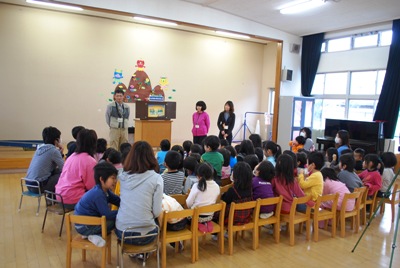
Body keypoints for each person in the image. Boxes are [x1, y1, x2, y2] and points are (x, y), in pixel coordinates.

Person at [115, 141, 163, 246]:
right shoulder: (156, 178)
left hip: (122, 232)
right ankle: (144, 253)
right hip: (146, 235)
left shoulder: (121, 176)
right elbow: (157, 211)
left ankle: (138, 253)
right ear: (151, 157)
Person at [74, 162, 120, 246]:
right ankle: (93, 235)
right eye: (112, 178)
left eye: (115, 178)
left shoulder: (104, 191)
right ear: (102, 179)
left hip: (84, 224)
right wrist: (124, 211)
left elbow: (117, 201)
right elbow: (107, 215)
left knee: (115, 218)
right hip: (84, 227)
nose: (115, 181)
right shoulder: (98, 194)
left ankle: (92, 235)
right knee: (115, 221)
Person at [55, 129, 97, 209]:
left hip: (59, 197)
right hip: (73, 200)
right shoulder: (90, 161)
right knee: (100, 194)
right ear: (94, 143)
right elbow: (92, 187)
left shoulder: (72, 156)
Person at [26, 126, 64, 194]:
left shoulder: (39, 148)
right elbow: (64, 169)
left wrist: (60, 152)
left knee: (56, 172)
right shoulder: (53, 151)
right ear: (56, 140)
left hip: (28, 184)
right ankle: (55, 198)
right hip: (39, 187)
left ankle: (51, 199)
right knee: (63, 175)